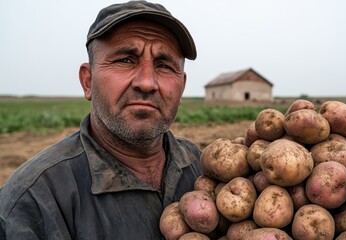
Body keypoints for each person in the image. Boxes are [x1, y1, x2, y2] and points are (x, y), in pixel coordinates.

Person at [0, 1, 202, 239]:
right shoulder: (33, 200)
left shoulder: (199, 164)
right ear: (88, 82)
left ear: (182, 86)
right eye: (126, 60)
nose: (147, 83)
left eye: (164, 65)